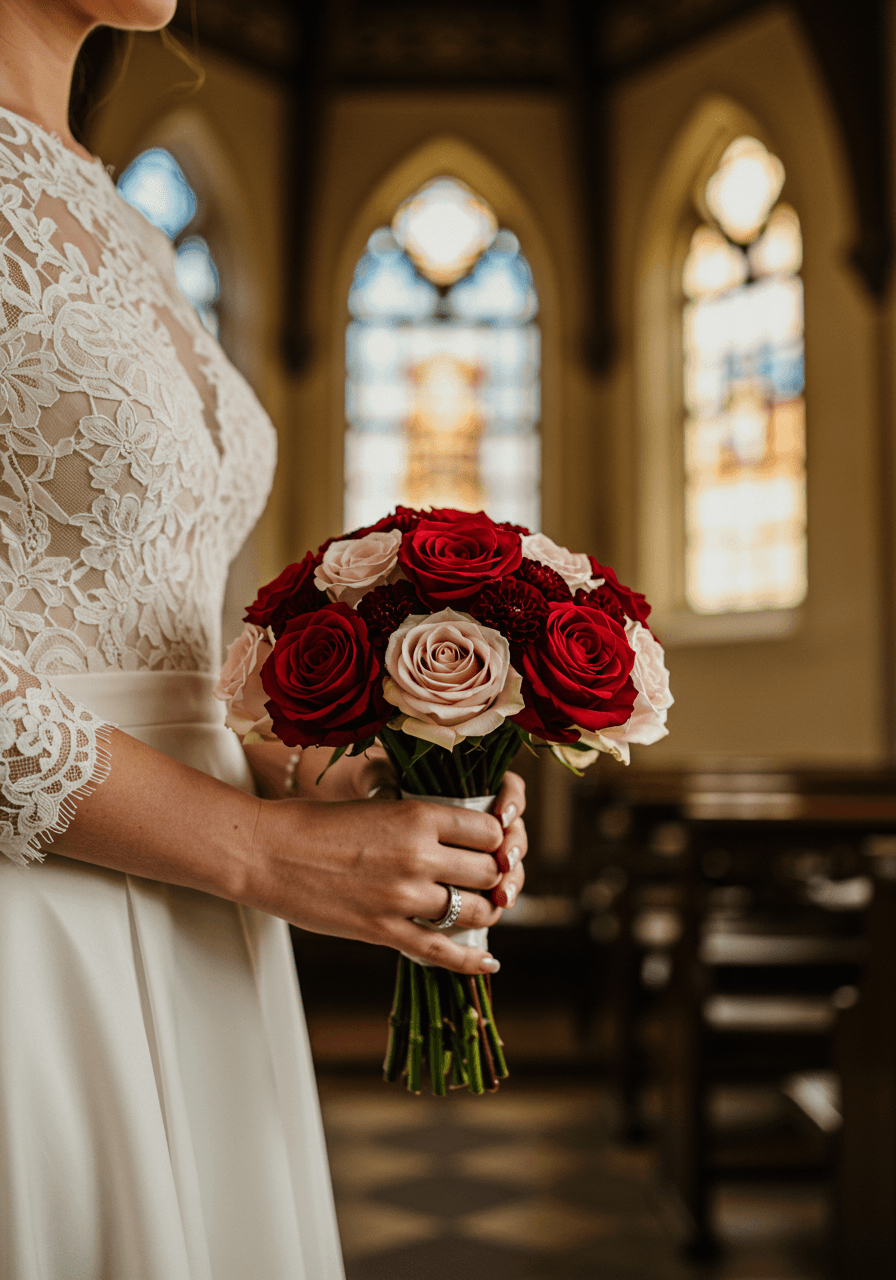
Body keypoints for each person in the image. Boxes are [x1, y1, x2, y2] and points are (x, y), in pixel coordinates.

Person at [0, 3, 529, 1277]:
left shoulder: (108, 197)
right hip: (33, 933)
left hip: (200, 926)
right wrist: (259, 849)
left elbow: (137, 615)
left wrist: (311, 780)